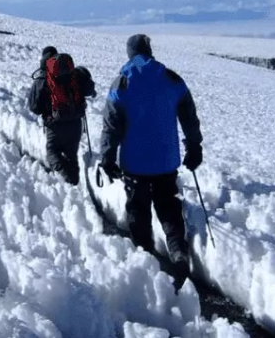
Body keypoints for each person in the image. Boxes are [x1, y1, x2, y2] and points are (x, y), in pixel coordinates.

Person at [99, 34, 203, 292]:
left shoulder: (121, 84)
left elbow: (111, 126)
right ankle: (178, 252)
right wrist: (194, 146)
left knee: (138, 211)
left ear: (130, 53)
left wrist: (107, 157)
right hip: (167, 162)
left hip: (134, 165)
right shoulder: (171, 78)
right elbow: (189, 115)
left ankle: (145, 258)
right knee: (168, 208)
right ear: (149, 50)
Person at [28, 46, 96, 186]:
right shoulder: (73, 73)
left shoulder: (43, 77)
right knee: (72, 155)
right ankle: (76, 183)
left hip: (55, 124)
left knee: (52, 152)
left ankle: (67, 182)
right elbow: (90, 90)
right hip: (76, 123)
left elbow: (34, 107)